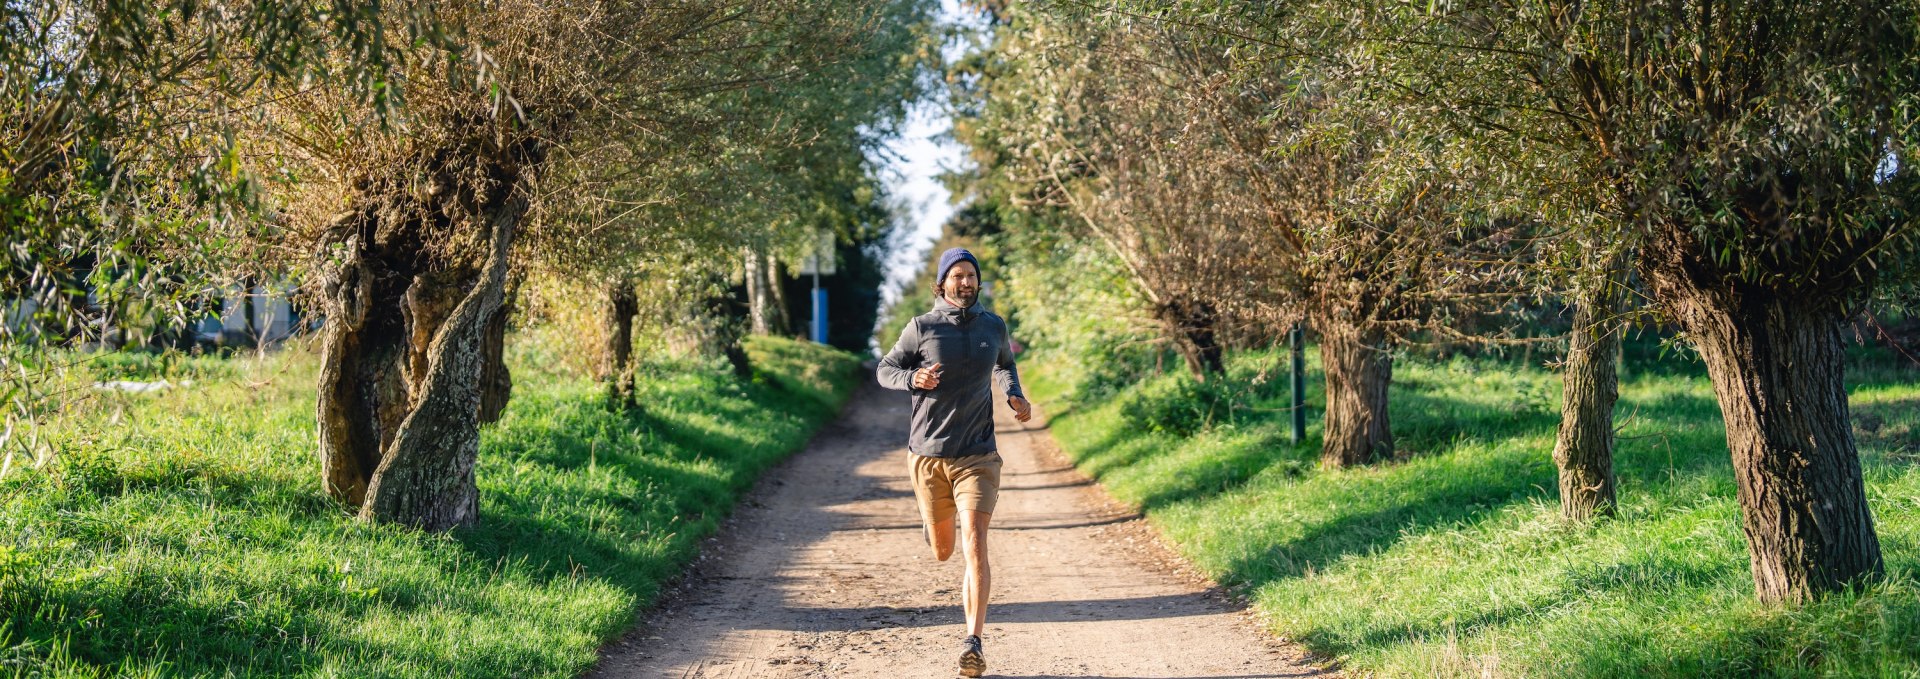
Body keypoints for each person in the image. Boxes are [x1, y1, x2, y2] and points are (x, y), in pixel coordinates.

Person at [877, 247, 1031, 678]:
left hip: (978, 454)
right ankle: (932, 522)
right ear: (942, 283)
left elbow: (1005, 364)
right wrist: (912, 378)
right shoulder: (921, 328)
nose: (965, 283)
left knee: (975, 542)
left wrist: (1013, 393)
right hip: (928, 456)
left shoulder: (993, 326)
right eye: (957, 276)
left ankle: (973, 642)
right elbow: (885, 370)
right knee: (944, 551)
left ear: (978, 282)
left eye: (970, 276)